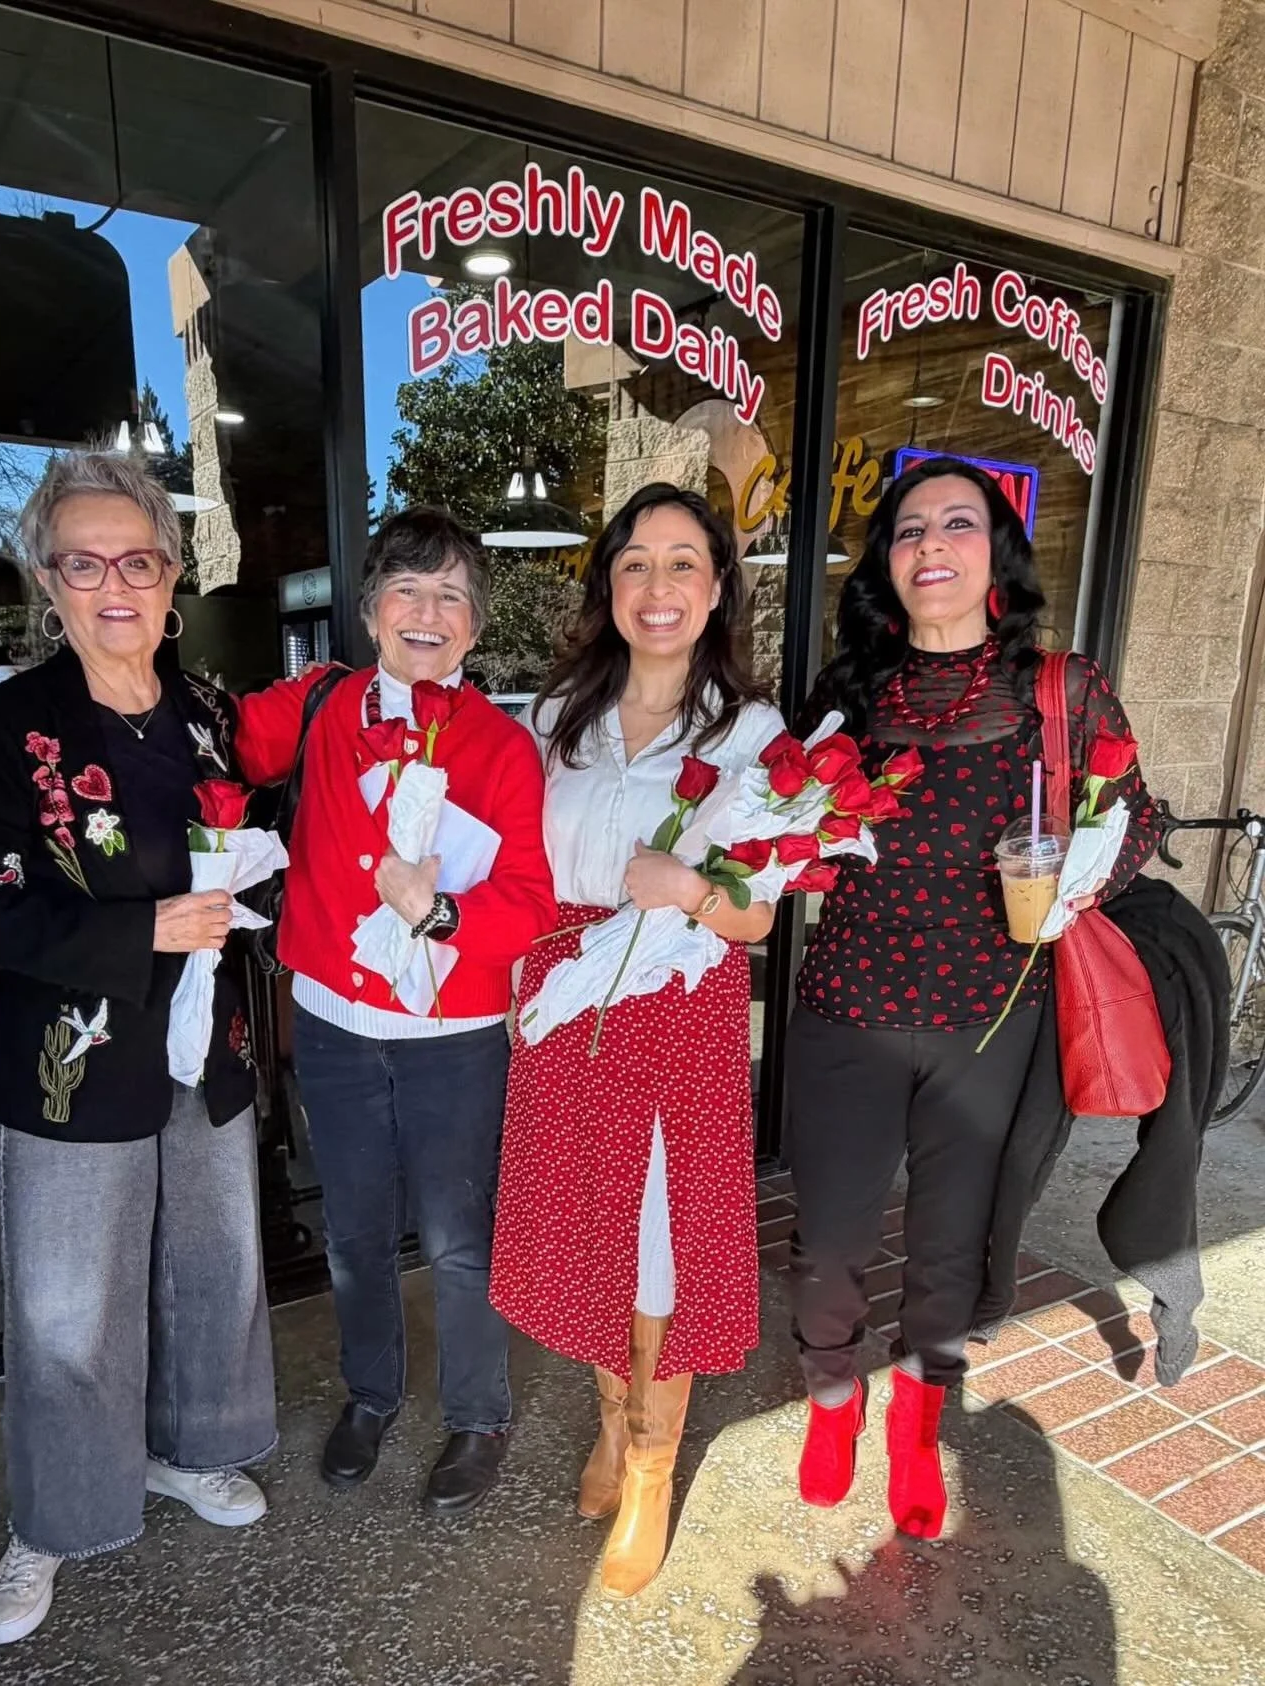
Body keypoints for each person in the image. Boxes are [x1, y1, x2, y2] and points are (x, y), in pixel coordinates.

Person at [0, 452, 275, 1646]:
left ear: (171, 574)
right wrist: (145, 928)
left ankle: (191, 1449)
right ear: (48, 579)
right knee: (69, 1312)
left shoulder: (211, 715)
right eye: (86, 562)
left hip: (204, 1047)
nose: (113, 584)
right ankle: (56, 1516)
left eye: (137, 558)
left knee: (213, 1265)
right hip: (66, 1060)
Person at [786, 455, 1160, 1539]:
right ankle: (832, 1398)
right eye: (910, 529)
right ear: (888, 565)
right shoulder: (847, 693)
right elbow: (792, 825)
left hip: (990, 1017)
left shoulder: (1058, 687)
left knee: (952, 1243)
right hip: (847, 1007)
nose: (932, 544)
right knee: (831, 1242)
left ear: (995, 554)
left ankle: (917, 1421)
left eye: (958, 522)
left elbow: (1137, 816)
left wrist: (1079, 878)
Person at [489, 482, 788, 1600]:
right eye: (634, 564)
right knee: (585, 1231)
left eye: (681, 564)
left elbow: (759, 913)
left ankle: (654, 1466)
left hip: (680, 1004)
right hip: (568, 996)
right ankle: (612, 1426)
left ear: (716, 591)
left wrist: (689, 890)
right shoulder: (557, 714)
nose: (656, 587)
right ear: (608, 585)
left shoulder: (755, 737)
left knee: (659, 1244)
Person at [234, 507, 555, 1516]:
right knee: (354, 1233)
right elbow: (226, 746)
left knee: (459, 1240)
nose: (428, 612)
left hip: (452, 1045)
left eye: (452, 595)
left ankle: (479, 1414)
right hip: (332, 1025)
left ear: (473, 625)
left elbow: (534, 902)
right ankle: (371, 1394)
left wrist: (445, 907)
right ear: (371, 610)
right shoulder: (323, 705)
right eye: (408, 590)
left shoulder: (504, 746)